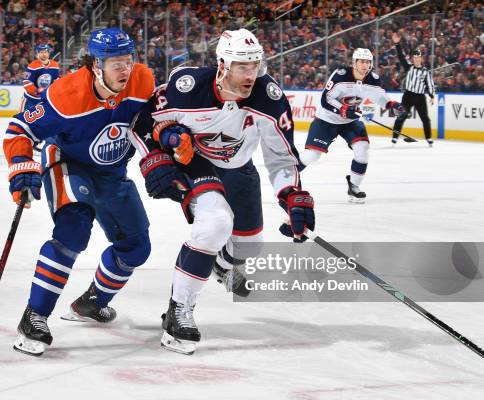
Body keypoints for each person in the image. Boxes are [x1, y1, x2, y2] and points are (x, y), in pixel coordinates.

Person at [131, 29, 315, 354]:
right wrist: (156, 157)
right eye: (242, 66)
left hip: (240, 168)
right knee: (215, 223)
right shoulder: (187, 88)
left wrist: (292, 194)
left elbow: (280, 155)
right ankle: (179, 309)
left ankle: (220, 263)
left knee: (250, 247)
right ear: (222, 64)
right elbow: (143, 123)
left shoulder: (268, 97)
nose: (250, 75)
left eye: (255, 65)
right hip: (198, 162)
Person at [4, 28, 155, 356]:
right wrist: (21, 166)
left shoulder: (142, 81)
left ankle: (92, 302)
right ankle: (35, 316)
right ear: (95, 65)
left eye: (128, 61)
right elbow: (21, 128)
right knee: (73, 230)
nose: (125, 70)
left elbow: (157, 122)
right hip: (68, 163)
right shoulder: (67, 93)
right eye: (116, 63)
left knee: (136, 247)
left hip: (113, 173)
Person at [300, 48, 405, 203]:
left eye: (367, 62)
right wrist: (342, 109)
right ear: (354, 63)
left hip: (350, 121)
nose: (364, 65)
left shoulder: (373, 79)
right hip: (326, 119)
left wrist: (392, 106)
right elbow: (326, 99)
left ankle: (354, 187)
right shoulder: (341, 75)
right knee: (311, 157)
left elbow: (381, 97)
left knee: (362, 148)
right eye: (361, 61)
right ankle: (289, 174)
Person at [391, 33, 435, 147]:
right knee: (401, 116)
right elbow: (401, 56)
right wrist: (397, 44)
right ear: (413, 58)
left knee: (425, 118)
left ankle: (429, 138)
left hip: (420, 97)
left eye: (418, 57)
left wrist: (431, 96)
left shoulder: (425, 71)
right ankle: (395, 138)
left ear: (421, 58)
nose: (416, 59)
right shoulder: (409, 67)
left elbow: (429, 84)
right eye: (415, 57)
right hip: (408, 96)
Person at [20, 43, 61, 112]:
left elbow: (56, 80)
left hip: (45, 100)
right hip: (30, 99)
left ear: (48, 53)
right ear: (37, 54)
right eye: (41, 52)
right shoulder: (32, 66)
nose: (44, 54)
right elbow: (26, 82)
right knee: (22, 119)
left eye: (45, 52)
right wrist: (37, 91)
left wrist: (52, 92)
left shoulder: (55, 65)